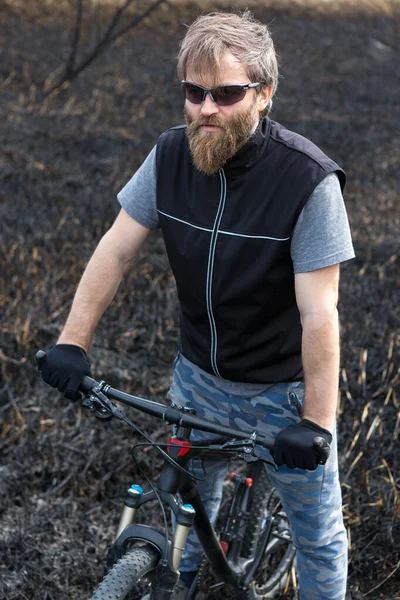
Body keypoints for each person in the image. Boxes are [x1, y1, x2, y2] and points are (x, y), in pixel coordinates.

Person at [39, 11, 355, 600]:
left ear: (264, 94)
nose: (206, 108)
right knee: (184, 510)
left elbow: (320, 312)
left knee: (319, 538)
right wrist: (72, 342)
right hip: (198, 381)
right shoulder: (168, 156)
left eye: (226, 94)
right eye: (194, 92)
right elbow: (114, 250)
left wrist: (316, 423)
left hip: (281, 394)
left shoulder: (308, 181)